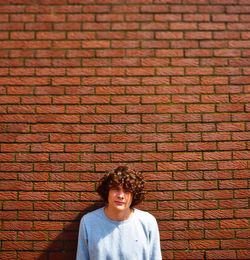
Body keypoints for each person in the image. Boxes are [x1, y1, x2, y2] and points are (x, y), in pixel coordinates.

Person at [76, 165, 162, 260]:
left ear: (134, 195)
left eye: (127, 191)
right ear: (107, 192)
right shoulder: (89, 222)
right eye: (116, 189)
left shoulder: (147, 222)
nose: (121, 195)